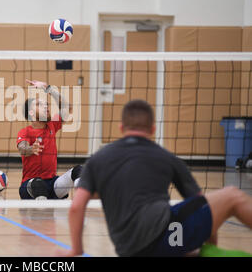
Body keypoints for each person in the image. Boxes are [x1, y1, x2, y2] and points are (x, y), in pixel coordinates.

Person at [61, 99, 252, 257]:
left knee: (188, 251)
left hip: (129, 250)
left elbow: (76, 207)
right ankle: (209, 251)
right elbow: (200, 204)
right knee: (232, 196)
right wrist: (209, 244)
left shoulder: (97, 159)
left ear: (121, 127)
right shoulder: (165, 157)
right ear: (152, 129)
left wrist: (76, 250)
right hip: (164, 236)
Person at [16, 79, 81, 200]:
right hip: (30, 184)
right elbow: (22, 148)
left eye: (46, 104)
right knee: (38, 184)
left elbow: (67, 107)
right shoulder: (26, 132)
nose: (46, 106)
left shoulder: (52, 125)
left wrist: (48, 88)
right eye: (39, 104)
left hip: (52, 184)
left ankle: (84, 196)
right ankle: (42, 203)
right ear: (31, 113)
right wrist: (31, 149)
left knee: (78, 171)